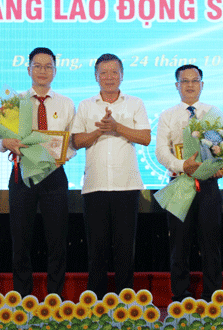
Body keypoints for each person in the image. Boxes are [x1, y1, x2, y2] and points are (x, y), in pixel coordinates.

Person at [0, 47, 75, 297]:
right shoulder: (14, 101)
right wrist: (5, 143)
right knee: (21, 240)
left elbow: (71, 144)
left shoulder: (66, 103)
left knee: (57, 242)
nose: (42, 71)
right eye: (37, 66)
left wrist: (58, 157)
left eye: (48, 66)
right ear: (29, 70)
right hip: (22, 175)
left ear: (55, 71)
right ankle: (22, 298)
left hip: (54, 176)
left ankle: (55, 297)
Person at [71, 53, 151, 298]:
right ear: (96, 76)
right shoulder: (85, 105)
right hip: (95, 187)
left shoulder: (135, 103)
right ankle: (94, 303)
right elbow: (75, 141)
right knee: (97, 249)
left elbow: (145, 138)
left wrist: (117, 127)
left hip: (126, 186)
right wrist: (100, 130)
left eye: (114, 72)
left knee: (125, 249)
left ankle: (125, 302)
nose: (109, 77)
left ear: (122, 75)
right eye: (103, 73)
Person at [155, 64, 223, 302]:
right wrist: (182, 166)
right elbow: (161, 152)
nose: (190, 85)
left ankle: (212, 295)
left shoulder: (213, 113)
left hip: (208, 186)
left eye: (195, 80)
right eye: (185, 81)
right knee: (179, 244)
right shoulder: (168, 115)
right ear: (177, 86)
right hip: (180, 183)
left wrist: (217, 166)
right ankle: (181, 296)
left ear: (202, 85)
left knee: (211, 243)